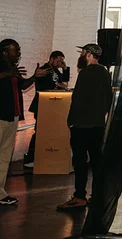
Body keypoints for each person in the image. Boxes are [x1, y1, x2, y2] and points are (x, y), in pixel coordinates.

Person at [57, 43, 112, 210]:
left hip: (81, 125)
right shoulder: (104, 72)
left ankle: (79, 196)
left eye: (83, 53)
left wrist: (71, 120)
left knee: (80, 162)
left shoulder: (85, 73)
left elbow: (78, 99)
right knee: (96, 161)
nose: (81, 55)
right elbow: (108, 98)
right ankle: (97, 195)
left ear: (89, 54)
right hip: (97, 124)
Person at [0, 39, 46, 206]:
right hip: (0, 117)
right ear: (5, 52)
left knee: (4, 157)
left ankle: (0, 192)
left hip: (12, 116)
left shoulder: (12, 68)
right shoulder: (5, 68)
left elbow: (23, 86)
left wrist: (34, 76)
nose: (19, 53)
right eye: (16, 50)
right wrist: (8, 74)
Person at [24, 51, 70, 168]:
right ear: (51, 59)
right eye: (58, 61)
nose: (60, 63)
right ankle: (30, 158)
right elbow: (42, 85)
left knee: (52, 131)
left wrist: (65, 68)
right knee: (39, 131)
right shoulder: (43, 70)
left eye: (62, 61)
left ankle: (47, 156)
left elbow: (64, 80)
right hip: (42, 105)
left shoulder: (56, 71)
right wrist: (57, 85)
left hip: (53, 106)